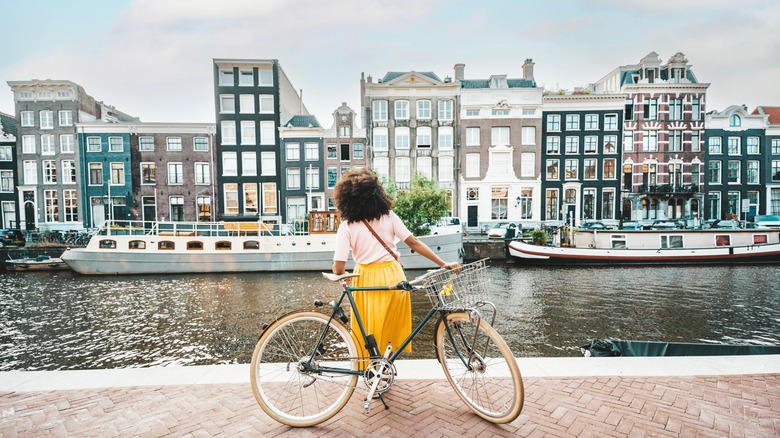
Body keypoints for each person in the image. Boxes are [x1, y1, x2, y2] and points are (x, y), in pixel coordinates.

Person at [332, 168, 460, 359]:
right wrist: (442, 263)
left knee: (369, 327)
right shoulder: (389, 216)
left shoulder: (347, 226)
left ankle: (373, 369)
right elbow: (413, 242)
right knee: (391, 325)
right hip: (393, 275)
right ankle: (386, 365)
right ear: (378, 195)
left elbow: (338, 267)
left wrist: (342, 274)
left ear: (346, 199)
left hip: (365, 278)